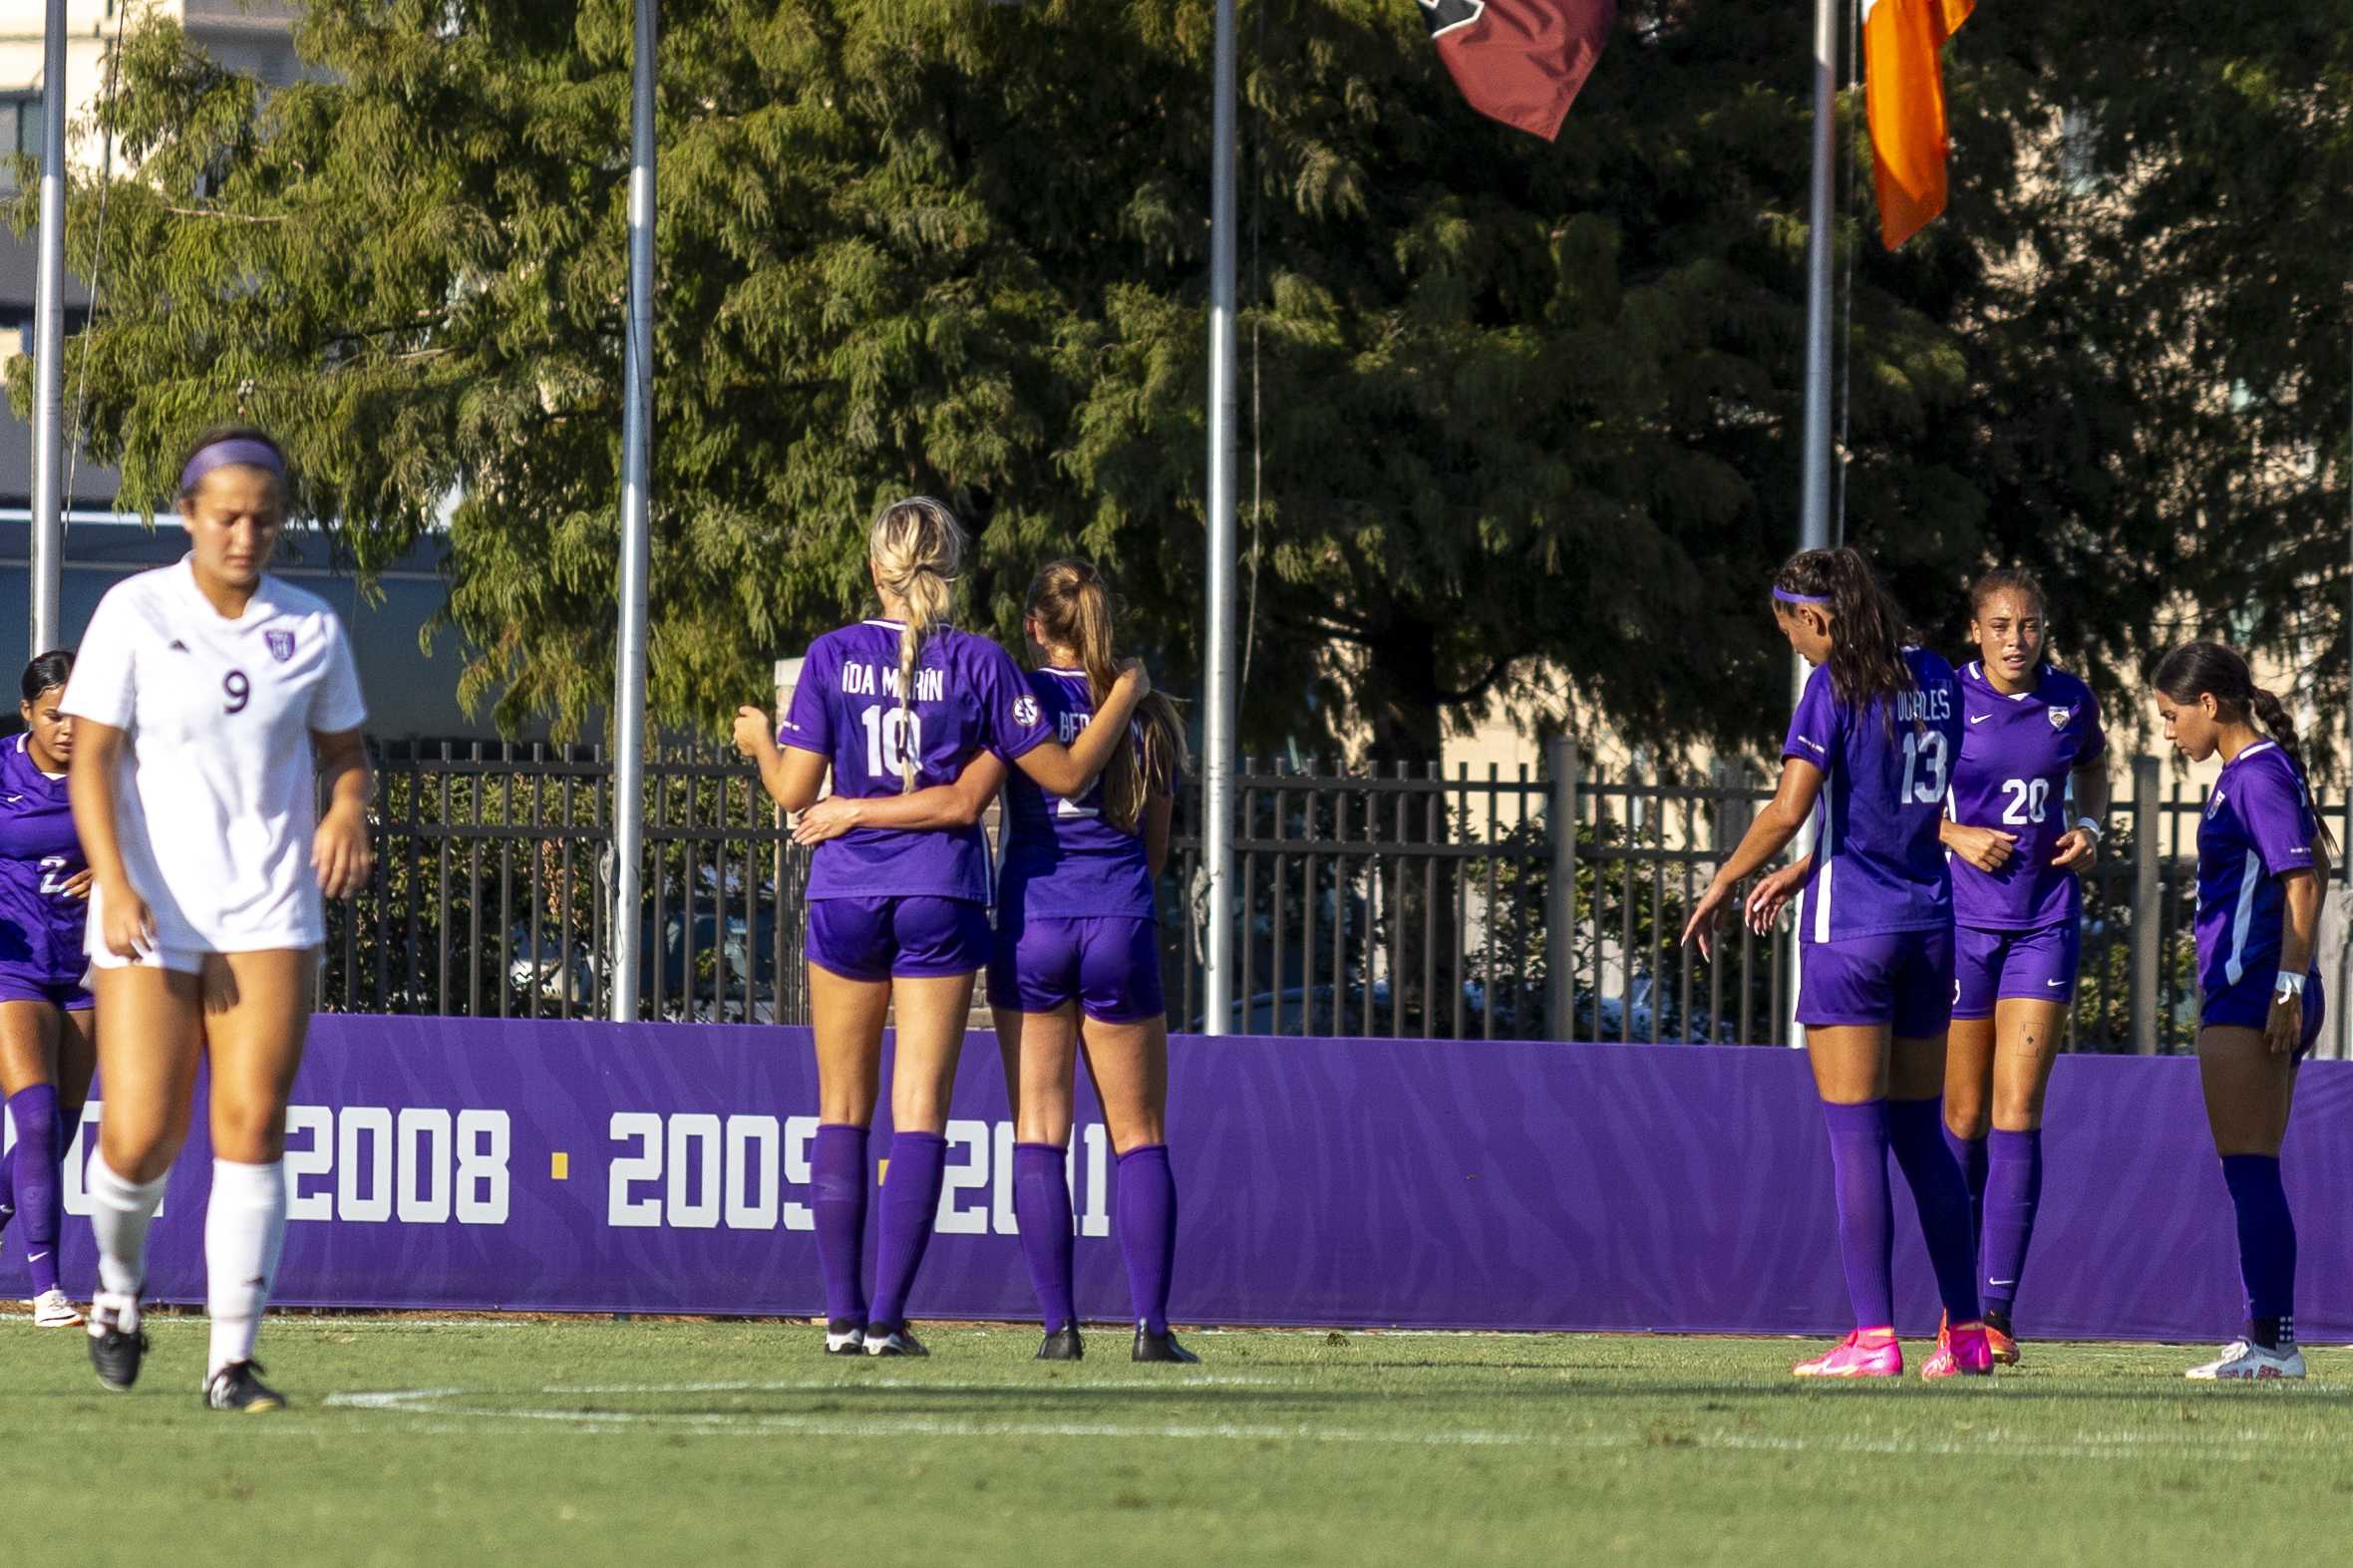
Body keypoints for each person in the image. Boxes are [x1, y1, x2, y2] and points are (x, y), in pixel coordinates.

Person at [734, 499, 1147, 1358]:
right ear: (950, 566)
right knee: (919, 1113)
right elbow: (1042, 777)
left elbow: (793, 795)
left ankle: (843, 1319)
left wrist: (760, 744)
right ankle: (887, 1320)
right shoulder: (982, 662)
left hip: (844, 895)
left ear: (875, 568)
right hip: (942, 894)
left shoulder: (830, 655)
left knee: (841, 1109)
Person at [65, 427, 373, 1411]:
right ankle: (116, 1292)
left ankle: (230, 1364)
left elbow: (347, 751)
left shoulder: (311, 627)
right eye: (227, 515)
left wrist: (348, 807)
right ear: (190, 512)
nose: (246, 534)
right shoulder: (134, 611)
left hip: (270, 909)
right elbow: (92, 758)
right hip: (154, 909)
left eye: (264, 517)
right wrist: (111, 879)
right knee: (141, 1136)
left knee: (251, 1125)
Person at [1681, 546, 1990, 1379]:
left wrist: (1724, 879)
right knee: (1922, 1137)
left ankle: (1874, 1337)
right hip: (1929, 927)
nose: (1796, 648)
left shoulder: (1833, 685)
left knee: (1856, 1140)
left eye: (1793, 631)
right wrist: (1805, 866)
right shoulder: (1938, 677)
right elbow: (1901, 814)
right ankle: (1966, 1334)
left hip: (1852, 932)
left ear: (1815, 617)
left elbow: (1790, 807)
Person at [2154, 642, 2329, 1380]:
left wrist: (2287, 988)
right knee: (2252, 1168)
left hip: (2255, 993)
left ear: (2209, 705)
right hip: (2260, 989)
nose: (2167, 732)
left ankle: (2274, 1345)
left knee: (2249, 1169)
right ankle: (2265, 1333)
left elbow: (2304, 881)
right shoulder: (2248, 774)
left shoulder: (2254, 775)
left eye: (2170, 716)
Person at [0, 652, 97, 1328]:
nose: (69, 727)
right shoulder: (1, 770)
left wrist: (119, 874)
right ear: (30, 711)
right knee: (32, 1118)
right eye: (56, 713)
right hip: (15, 966)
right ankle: (47, 1290)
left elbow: (155, 849)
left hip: (87, 967)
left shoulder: (110, 771)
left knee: (58, 1131)